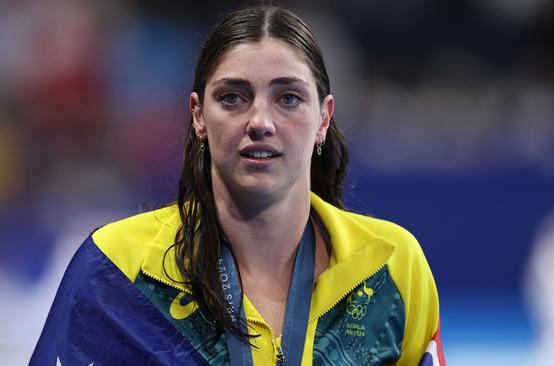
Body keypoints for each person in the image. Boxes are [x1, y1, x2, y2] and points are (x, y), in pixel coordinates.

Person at [31, 6, 444, 366]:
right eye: (232, 97)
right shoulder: (116, 271)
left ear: (323, 118)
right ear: (198, 115)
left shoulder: (391, 267)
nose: (260, 122)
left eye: (288, 98)